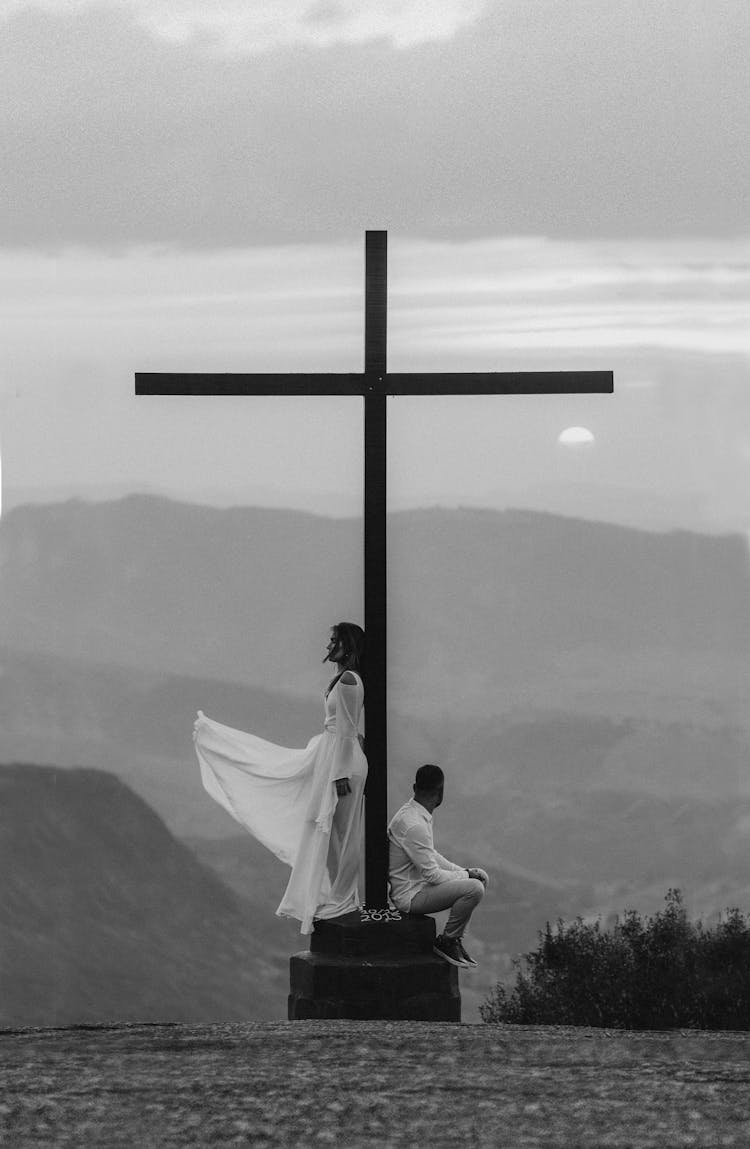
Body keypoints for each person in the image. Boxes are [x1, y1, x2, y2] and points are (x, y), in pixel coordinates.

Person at [194, 622, 367, 934]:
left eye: (334, 641)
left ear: (348, 644)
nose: (328, 647)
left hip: (343, 763)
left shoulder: (350, 681)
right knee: (328, 830)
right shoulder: (340, 679)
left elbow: (347, 729)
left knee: (343, 830)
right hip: (333, 757)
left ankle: (345, 899)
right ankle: (339, 896)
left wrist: (341, 771)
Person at [387, 764, 488, 968]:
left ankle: (455, 939)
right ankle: (448, 941)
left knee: (481, 877)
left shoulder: (414, 814)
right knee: (475, 888)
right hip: (410, 896)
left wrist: (463, 872)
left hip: (418, 887)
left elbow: (430, 855)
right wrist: (466, 877)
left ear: (415, 787)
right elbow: (432, 875)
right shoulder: (415, 824)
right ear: (440, 793)